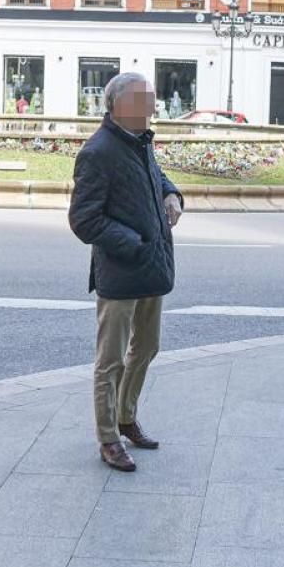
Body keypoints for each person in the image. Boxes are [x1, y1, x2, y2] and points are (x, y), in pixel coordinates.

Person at [69, 72, 184, 472]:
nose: (152, 107)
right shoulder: (97, 152)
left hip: (152, 266)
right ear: (118, 106)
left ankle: (126, 415)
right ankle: (108, 438)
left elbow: (155, 177)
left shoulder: (140, 142)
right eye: (143, 100)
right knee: (111, 359)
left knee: (147, 347)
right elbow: (84, 220)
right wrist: (131, 242)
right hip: (121, 271)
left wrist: (172, 193)